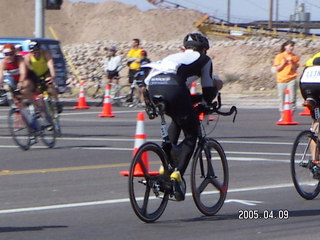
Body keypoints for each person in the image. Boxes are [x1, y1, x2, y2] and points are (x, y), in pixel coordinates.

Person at [144, 33, 223, 201]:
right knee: (192, 133)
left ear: (185, 47)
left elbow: (183, 93)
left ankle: (164, 168)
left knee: (178, 118)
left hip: (152, 86)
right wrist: (209, 100)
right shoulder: (204, 59)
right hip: (173, 87)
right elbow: (208, 90)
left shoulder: (175, 56)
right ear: (203, 49)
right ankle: (176, 176)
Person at [24, 40, 63, 113]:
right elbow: (27, 71)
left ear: (39, 50)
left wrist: (52, 76)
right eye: (32, 52)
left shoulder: (45, 53)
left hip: (45, 72)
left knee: (50, 85)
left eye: (36, 51)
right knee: (34, 89)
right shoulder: (28, 57)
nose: (34, 54)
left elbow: (51, 65)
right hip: (35, 75)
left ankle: (57, 102)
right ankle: (37, 108)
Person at [273, 40, 300, 121]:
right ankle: (282, 115)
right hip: (281, 79)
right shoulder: (279, 56)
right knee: (282, 97)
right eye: (289, 46)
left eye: (292, 46)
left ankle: (290, 114)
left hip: (291, 78)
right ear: (285, 46)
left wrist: (291, 62)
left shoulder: (295, 57)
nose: (291, 48)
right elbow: (277, 68)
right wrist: (283, 63)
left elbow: (295, 68)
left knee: (292, 97)